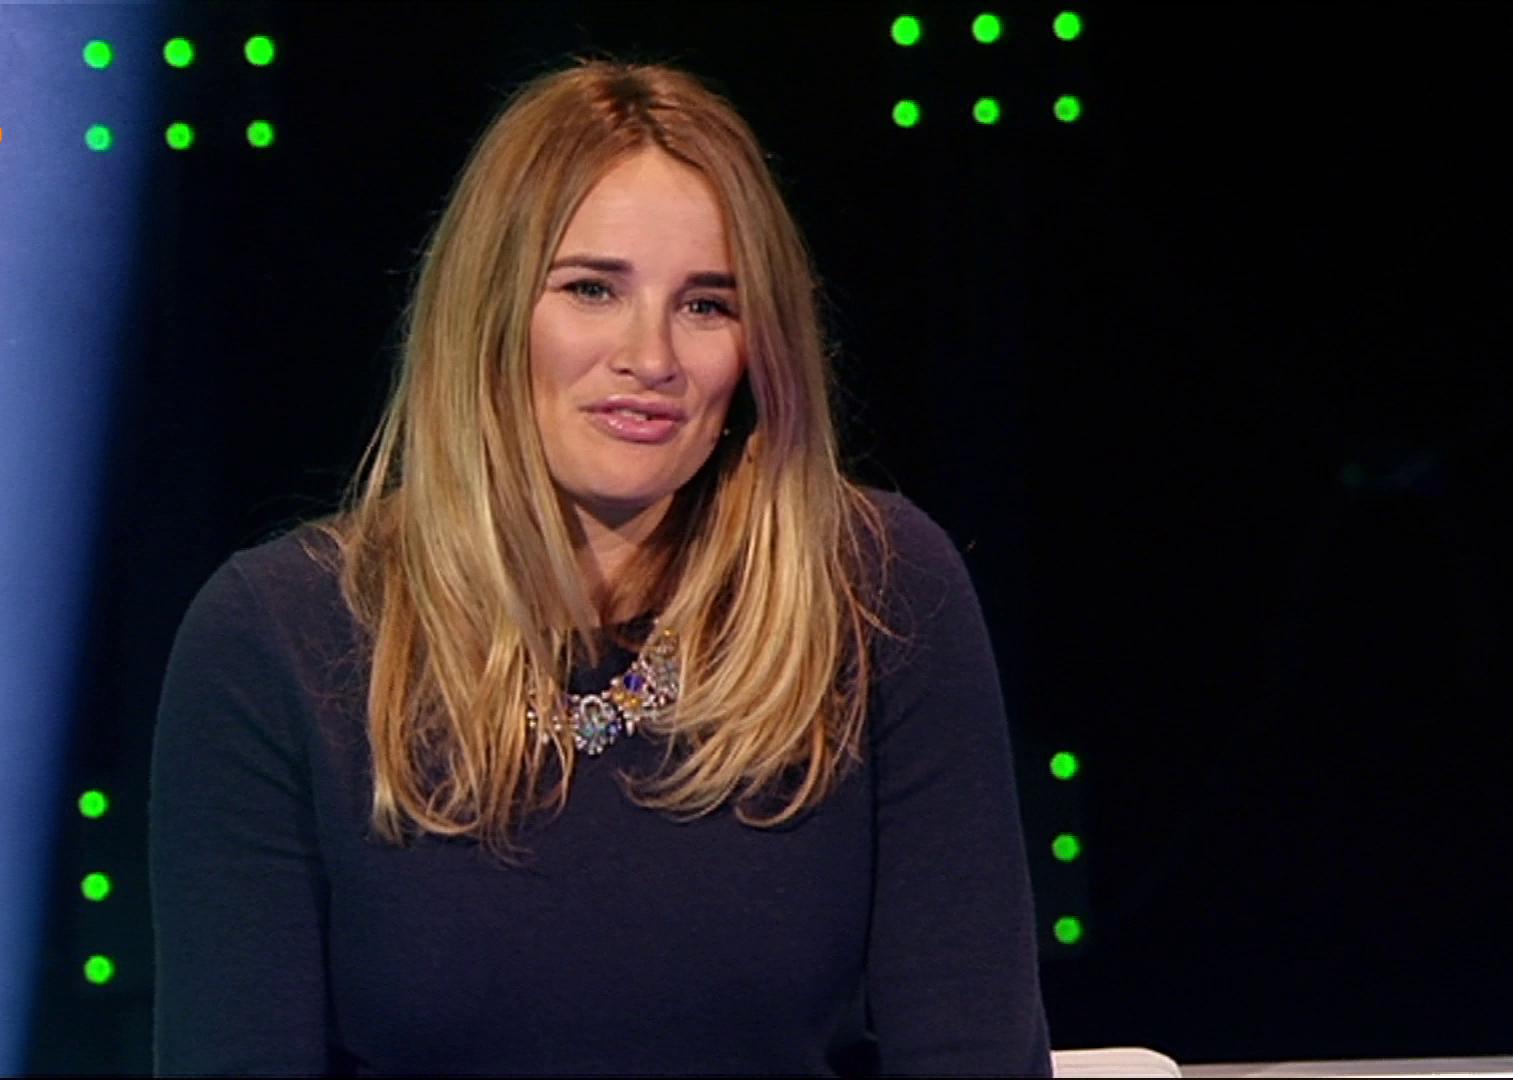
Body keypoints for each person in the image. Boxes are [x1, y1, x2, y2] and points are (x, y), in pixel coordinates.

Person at [149, 57, 1052, 1077]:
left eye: (706, 305)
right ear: (490, 311)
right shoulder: (278, 637)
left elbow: (972, 1050)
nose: (651, 357)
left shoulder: (875, 590)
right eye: (592, 289)